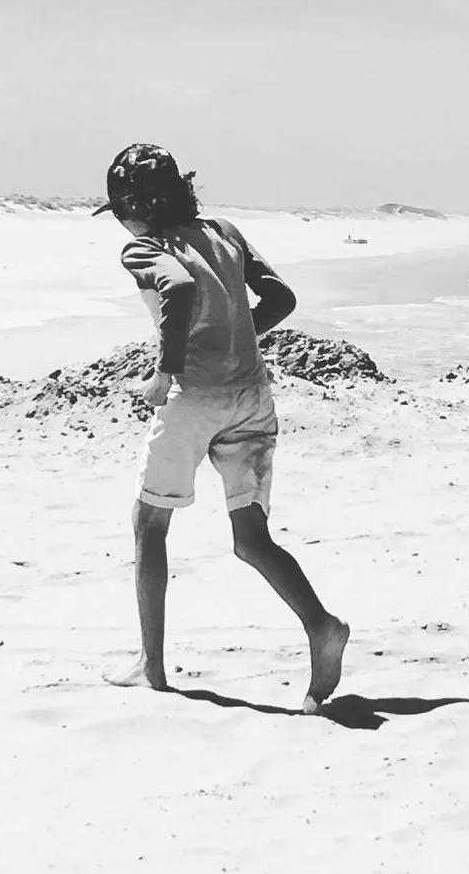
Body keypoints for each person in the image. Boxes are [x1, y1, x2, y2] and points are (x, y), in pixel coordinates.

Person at [97, 142, 348, 708]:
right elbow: (281, 297)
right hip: (252, 397)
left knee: (149, 525)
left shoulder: (143, 248)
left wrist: (165, 372)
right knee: (251, 540)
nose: (119, 220)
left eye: (118, 209)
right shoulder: (225, 233)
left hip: (193, 400)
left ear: (135, 205)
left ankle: (152, 666)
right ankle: (322, 626)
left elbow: (179, 288)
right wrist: (240, 335)